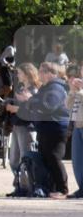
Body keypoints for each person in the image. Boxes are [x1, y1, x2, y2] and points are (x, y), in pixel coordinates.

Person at [7, 62, 70, 198]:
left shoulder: (56, 88)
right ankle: (51, 188)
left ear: (50, 73)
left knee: (54, 158)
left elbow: (48, 106)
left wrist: (29, 100)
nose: (39, 73)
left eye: (42, 71)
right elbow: (34, 103)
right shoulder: (45, 88)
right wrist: (28, 102)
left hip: (55, 128)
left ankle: (63, 189)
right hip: (45, 128)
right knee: (46, 159)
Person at [7, 63, 41, 178]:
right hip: (17, 126)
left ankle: (28, 186)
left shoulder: (34, 91)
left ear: (27, 74)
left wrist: (15, 108)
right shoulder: (21, 88)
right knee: (13, 160)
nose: (17, 75)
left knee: (26, 159)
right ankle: (20, 185)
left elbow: (31, 111)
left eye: (20, 73)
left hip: (27, 127)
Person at [67, 65, 83, 198]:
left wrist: (80, 91)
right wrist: (72, 91)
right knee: (77, 160)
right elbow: (67, 105)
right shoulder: (79, 86)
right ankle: (81, 188)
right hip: (77, 125)